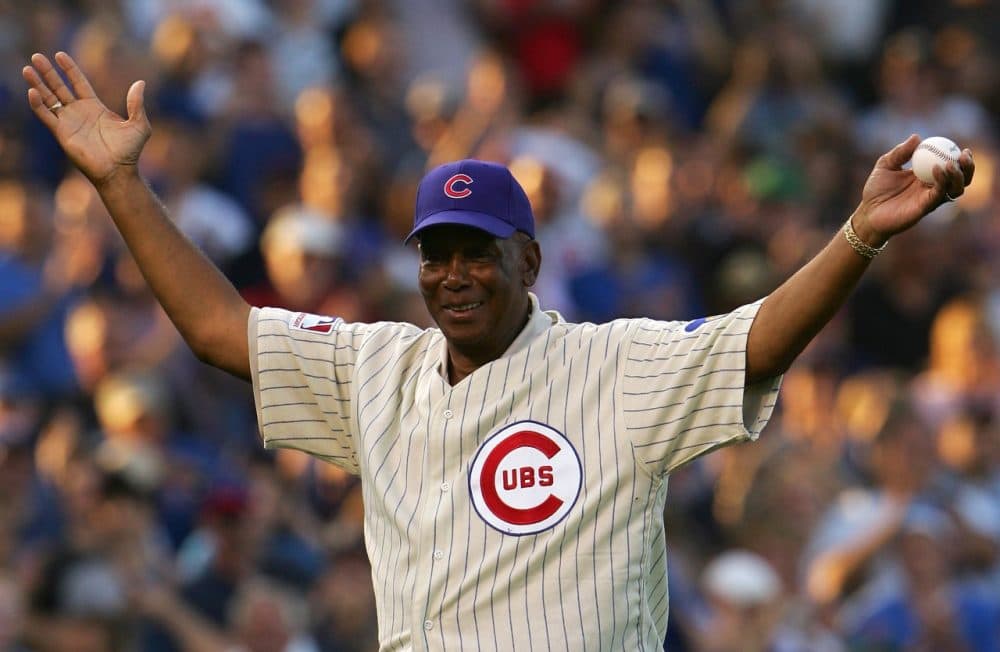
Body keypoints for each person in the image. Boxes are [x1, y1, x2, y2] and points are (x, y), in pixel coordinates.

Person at [22, 51, 974, 650]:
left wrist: (859, 235)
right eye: (436, 254)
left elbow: (756, 340)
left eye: (478, 254)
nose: (454, 275)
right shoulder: (375, 367)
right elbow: (219, 331)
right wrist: (120, 185)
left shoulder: (614, 366)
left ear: (530, 259)